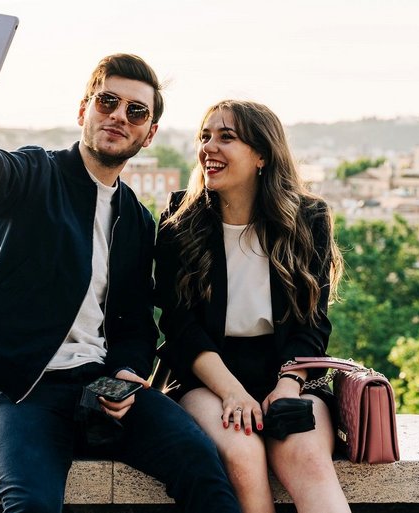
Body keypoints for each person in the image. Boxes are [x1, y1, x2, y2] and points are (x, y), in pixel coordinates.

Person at [0, 35, 241, 513]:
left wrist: (126, 374)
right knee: (32, 505)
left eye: (136, 112)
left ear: (149, 134)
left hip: (100, 389)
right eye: (107, 102)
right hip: (17, 390)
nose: (119, 116)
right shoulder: (35, 175)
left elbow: (134, 323)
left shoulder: (136, 220)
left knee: (207, 474)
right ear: (84, 110)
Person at [154, 99, 350, 513]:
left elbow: (312, 323)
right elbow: (180, 327)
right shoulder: (179, 219)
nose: (209, 147)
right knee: (242, 456)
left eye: (226, 137)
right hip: (207, 375)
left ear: (262, 154)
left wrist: (288, 385)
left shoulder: (307, 218)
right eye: (205, 136)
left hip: (288, 371)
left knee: (307, 457)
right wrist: (233, 393)